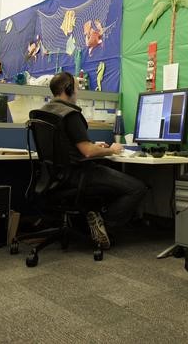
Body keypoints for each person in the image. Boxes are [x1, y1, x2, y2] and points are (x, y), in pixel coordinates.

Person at [40, 72, 148, 249]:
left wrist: (91, 145)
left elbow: (68, 145)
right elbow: (88, 152)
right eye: (76, 87)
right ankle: (103, 224)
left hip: (55, 177)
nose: (78, 91)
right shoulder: (70, 114)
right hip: (79, 174)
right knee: (137, 188)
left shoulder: (44, 112)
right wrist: (111, 149)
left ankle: (91, 222)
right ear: (68, 89)